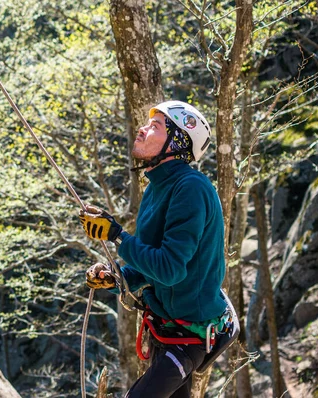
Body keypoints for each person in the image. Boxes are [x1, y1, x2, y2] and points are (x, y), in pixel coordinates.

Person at [79, 101, 229, 398]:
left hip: (189, 336)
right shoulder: (157, 188)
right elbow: (153, 265)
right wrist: (118, 277)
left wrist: (118, 236)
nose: (142, 129)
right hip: (168, 330)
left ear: (179, 141)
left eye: (155, 126)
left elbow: (170, 270)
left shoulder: (191, 189)